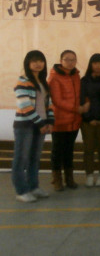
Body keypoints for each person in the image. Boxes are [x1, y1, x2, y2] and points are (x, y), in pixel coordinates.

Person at [12, 50, 54, 202]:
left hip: (40, 125)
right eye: (34, 61)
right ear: (28, 64)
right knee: (21, 159)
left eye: (41, 61)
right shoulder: (22, 81)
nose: (38, 64)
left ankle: (33, 187)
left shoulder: (43, 83)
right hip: (25, 126)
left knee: (34, 159)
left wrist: (50, 122)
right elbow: (25, 106)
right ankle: (21, 191)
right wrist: (40, 123)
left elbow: (49, 104)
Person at [49, 50, 88, 191]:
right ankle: (57, 180)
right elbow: (57, 100)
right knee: (57, 151)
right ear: (61, 61)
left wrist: (86, 103)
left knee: (69, 150)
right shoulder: (54, 77)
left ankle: (69, 178)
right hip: (60, 121)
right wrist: (76, 108)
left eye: (73, 60)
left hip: (74, 121)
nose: (70, 62)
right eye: (67, 59)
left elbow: (81, 94)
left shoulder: (76, 75)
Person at [80, 53, 100, 187]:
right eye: (95, 63)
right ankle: (89, 174)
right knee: (88, 149)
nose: (98, 66)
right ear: (90, 65)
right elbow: (82, 100)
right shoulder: (84, 81)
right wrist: (89, 118)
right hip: (88, 121)